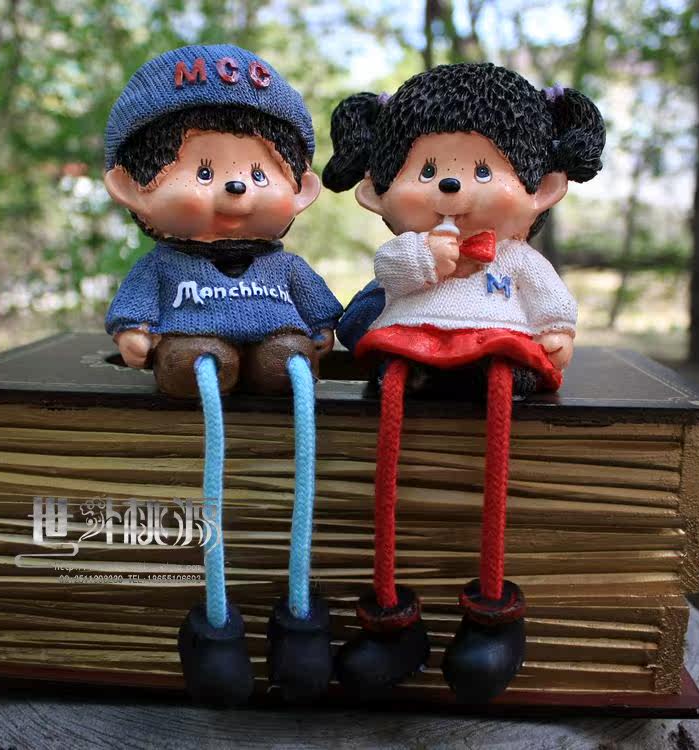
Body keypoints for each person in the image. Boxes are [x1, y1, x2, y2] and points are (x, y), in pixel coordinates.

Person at [323, 64, 605, 702]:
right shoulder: (406, 251)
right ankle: (390, 614)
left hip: (496, 347)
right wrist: (425, 258)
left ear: (544, 189)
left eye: (483, 170)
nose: (451, 186)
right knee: (391, 404)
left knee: (501, 395)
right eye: (427, 171)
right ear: (376, 194)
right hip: (409, 341)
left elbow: (550, 300)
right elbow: (390, 271)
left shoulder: (518, 258)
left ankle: (492, 611)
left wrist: (557, 331)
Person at [104, 44, 343, 705]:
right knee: (201, 365)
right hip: (196, 346)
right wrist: (135, 330)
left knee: (288, 363)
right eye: (204, 170)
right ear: (132, 187)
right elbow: (135, 303)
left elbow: (318, 304)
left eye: (259, 173)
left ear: (300, 191)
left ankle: (300, 617)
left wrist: (322, 329)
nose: (236, 189)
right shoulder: (164, 265)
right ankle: (216, 623)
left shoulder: (282, 267)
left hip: (279, 344)